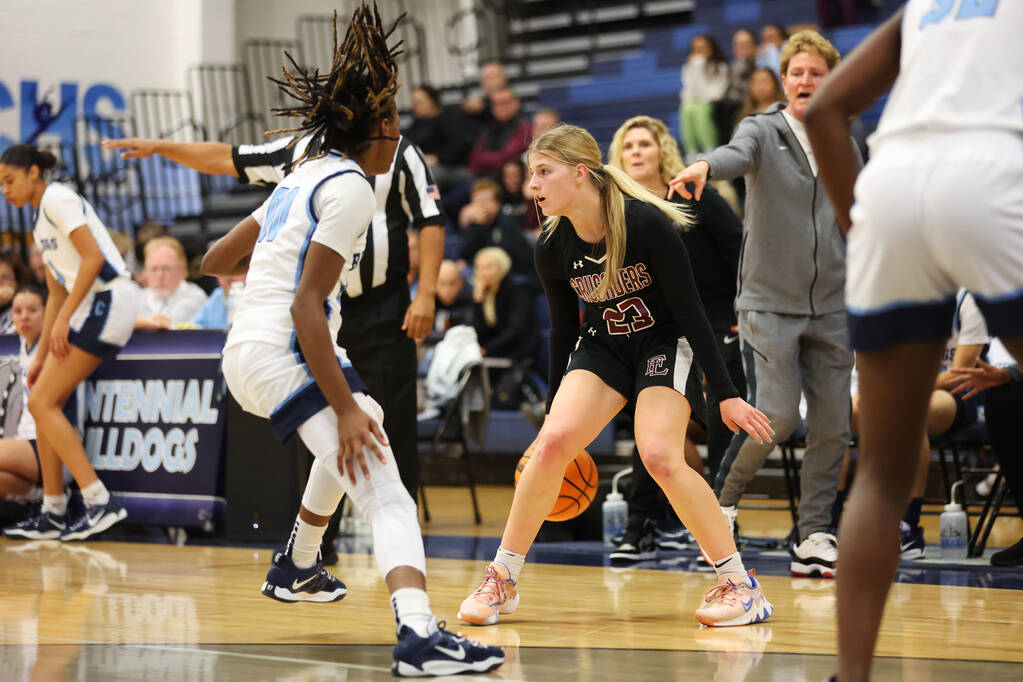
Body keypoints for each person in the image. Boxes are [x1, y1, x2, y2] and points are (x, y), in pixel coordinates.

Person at [199, 5, 502, 676]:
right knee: (385, 487)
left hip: (246, 350)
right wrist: (341, 407)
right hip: (286, 349)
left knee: (368, 418)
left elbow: (216, 258)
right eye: (392, 118)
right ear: (374, 128)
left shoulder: (299, 178)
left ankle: (298, 562)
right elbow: (307, 306)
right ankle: (419, 636)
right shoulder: (351, 188)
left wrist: (272, 249)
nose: (398, 129)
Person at [457, 124, 774, 628]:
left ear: (580, 173)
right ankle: (503, 578)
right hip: (603, 346)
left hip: (664, 343)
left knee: (660, 456)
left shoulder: (645, 223)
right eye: (530, 173)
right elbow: (564, 332)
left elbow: (691, 311)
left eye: (544, 172)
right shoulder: (551, 245)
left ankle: (742, 586)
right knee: (551, 445)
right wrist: (552, 410)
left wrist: (727, 394)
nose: (532, 184)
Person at [803, 3, 1023, 680]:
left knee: (880, 470)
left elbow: (823, 110)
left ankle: (851, 674)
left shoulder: (925, 5)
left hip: (891, 188)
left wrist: (860, 226)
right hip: (992, 169)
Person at [670, 30, 857, 579]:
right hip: (768, 303)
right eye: (796, 72)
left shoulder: (847, 140)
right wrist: (705, 166)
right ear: (784, 80)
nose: (805, 81)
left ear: (831, 80)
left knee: (833, 425)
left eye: (816, 73)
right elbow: (735, 155)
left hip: (834, 305)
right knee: (775, 414)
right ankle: (720, 506)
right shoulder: (761, 129)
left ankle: (814, 534)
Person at [606, 114, 745, 560]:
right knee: (651, 422)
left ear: (662, 150)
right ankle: (642, 526)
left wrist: (742, 311)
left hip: (718, 321)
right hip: (661, 331)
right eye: (629, 146)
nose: (636, 152)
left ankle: (722, 520)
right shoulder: (615, 208)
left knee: (720, 411)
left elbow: (740, 252)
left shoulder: (691, 194)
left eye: (644, 144)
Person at [0, 143, 139, 541]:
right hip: (90, 306)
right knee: (43, 400)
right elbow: (56, 292)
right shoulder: (39, 220)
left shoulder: (58, 197)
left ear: (33, 172)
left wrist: (63, 320)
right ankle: (53, 511)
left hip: (109, 299)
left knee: (42, 403)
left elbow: (93, 259)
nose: (5, 190)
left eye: (10, 180)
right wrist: (41, 356)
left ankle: (99, 501)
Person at [0, 286, 46, 505]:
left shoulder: (56, 343)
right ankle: (42, 500)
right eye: (17, 311)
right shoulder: (24, 343)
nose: (24, 317)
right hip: (25, 444)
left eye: (32, 310)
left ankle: (52, 498)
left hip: (52, 447)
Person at [135, 236, 208, 329]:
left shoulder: (195, 297)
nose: (160, 276)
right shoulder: (139, 298)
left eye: (167, 269)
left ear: (183, 270)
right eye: (154, 269)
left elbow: (168, 328)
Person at [679, 35, 730, 157]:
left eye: (702, 48)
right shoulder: (690, 66)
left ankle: (709, 149)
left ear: (711, 49)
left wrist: (699, 66)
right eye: (696, 49)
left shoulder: (721, 67)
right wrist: (695, 68)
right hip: (696, 103)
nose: (699, 52)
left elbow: (711, 95)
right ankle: (691, 152)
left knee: (701, 109)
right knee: (686, 108)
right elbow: (688, 94)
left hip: (715, 104)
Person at [468, 88, 532, 178]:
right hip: (485, 178)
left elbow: (506, 157)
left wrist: (485, 159)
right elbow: (474, 160)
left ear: (517, 103)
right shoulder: (487, 127)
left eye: (506, 103)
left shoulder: (524, 127)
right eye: (496, 104)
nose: (501, 108)